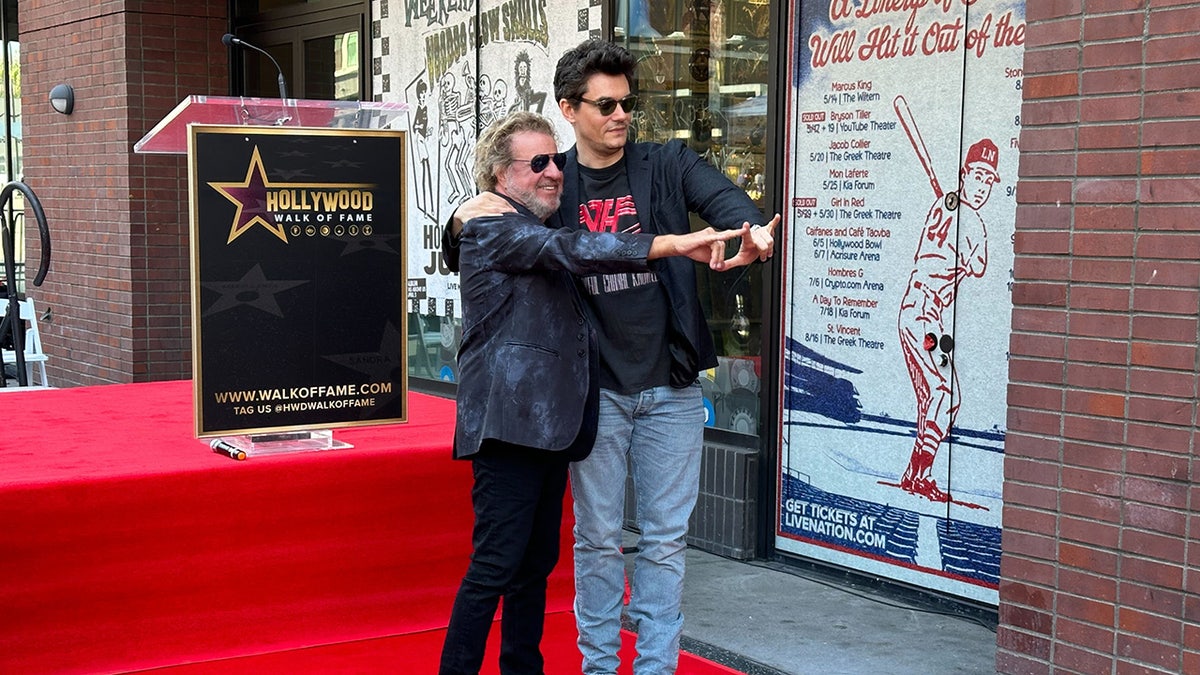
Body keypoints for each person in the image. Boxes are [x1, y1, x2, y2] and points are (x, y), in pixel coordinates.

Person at [449, 40, 780, 675]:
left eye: (628, 103)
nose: (622, 115)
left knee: (664, 544)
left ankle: (654, 668)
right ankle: (599, 667)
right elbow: (502, 230)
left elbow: (724, 198)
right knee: (597, 542)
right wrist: (462, 217)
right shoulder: (550, 179)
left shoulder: (665, 163)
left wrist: (751, 229)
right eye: (606, 104)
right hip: (592, 394)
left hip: (671, 387)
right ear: (571, 108)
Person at [895, 138, 998, 503]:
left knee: (932, 398)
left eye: (989, 180)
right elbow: (980, 267)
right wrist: (969, 231)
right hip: (923, 313)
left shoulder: (945, 205)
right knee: (947, 393)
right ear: (964, 174)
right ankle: (921, 474)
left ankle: (914, 474)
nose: (983, 186)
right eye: (979, 176)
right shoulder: (971, 222)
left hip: (921, 312)